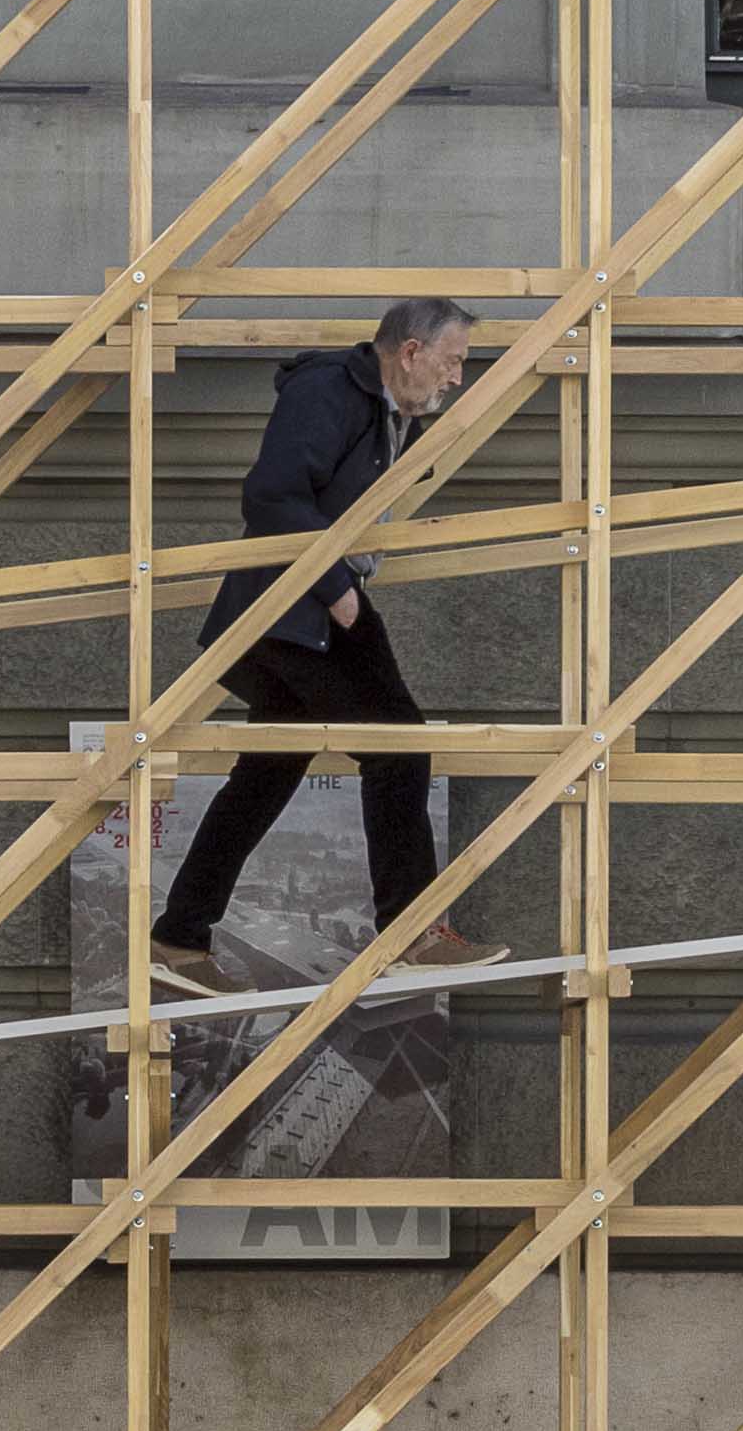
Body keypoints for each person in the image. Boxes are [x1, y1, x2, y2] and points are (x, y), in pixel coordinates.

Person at [149, 295, 501, 969]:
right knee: (398, 745)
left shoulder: (392, 413)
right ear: (411, 352)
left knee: (266, 773)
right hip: (298, 609)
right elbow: (272, 495)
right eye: (453, 361)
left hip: (288, 612)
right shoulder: (328, 390)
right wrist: (340, 593)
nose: (458, 377)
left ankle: (180, 936)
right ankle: (410, 934)